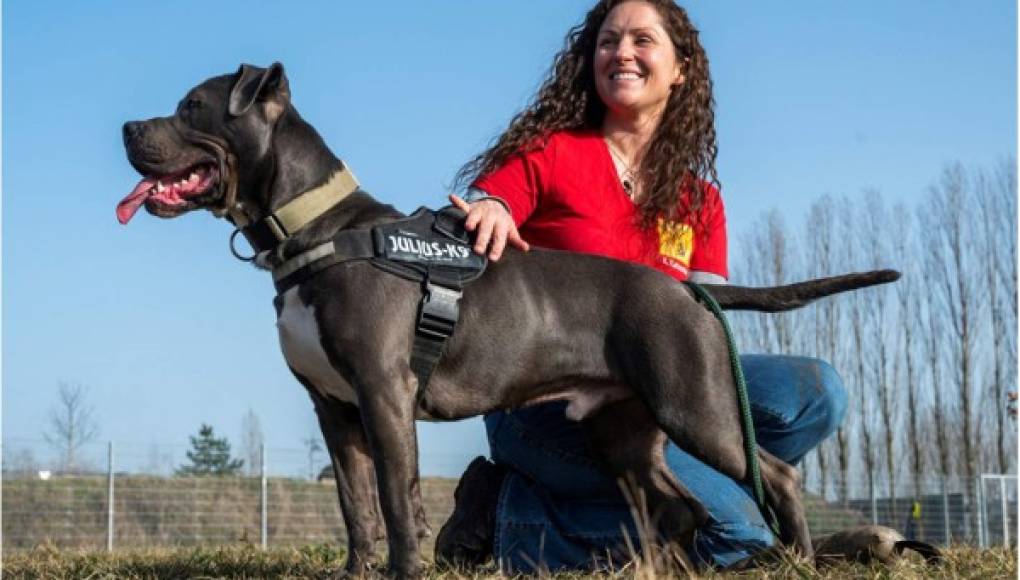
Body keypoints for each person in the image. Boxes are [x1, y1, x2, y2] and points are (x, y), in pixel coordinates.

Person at [434, 0, 848, 572]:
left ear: (681, 68)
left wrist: (688, 418)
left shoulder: (700, 201)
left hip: (663, 396)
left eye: (642, 40)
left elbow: (707, 326)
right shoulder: (551, 152)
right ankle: (507, 514)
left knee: (815, 392)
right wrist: (490, 212)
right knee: (732, 534)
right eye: (608, 41)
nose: (621, 53)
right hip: (545, 404)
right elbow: (490, 202)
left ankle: (694, 484)